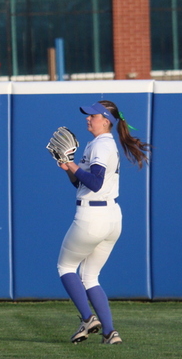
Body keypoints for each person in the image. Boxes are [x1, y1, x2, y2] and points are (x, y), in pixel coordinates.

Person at [55, 100, 150, 345]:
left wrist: (74, 164)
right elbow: (81, 183)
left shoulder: (102, 145)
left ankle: (88, 318)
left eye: (93, 115)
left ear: (106, 120)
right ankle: (109, 332)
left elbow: (95, 183)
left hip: (92, 217)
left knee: (65, 268)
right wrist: (68, 166)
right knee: (90, 276)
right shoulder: (100, 144)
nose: (88, 118)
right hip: (111, 218)